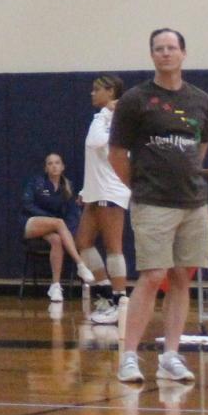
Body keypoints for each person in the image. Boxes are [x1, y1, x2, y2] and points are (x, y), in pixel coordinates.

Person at [110, 29, 208, 384]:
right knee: (153, 275)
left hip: (192, 202)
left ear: (184, 53)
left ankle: (170, 355)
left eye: (172, 48)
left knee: (182, 277)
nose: (166, 53)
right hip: (152, 201)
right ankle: (128, 356)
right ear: (152, 55)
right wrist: (138, 185)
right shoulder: (135, 101)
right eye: (159, 49)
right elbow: (117, 154)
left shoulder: (202, 100)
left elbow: (200, 149)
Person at [76, 75, 131, 324]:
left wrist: (105, 114)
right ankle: (105, 293)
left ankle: (120, 301)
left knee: (113, 246)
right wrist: (86, 190)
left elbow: (95, 141)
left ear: (110, 92)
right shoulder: (105, 116)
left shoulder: (115, 118)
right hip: (95, 191)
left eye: (96, 90)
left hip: (111, 191)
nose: (91, 94)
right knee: (83, 242)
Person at [21, 153, 89, 303]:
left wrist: (70, 233)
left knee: (58, 240)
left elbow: (72, 212)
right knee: (58, 223)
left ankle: (55, 286)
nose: (54, 166)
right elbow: (27, 204)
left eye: (57, 163)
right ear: (46, 168)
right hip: (31, 223)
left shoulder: (67, 187)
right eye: (50, 163)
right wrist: (49, 219)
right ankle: (80, 264)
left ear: (62, 166)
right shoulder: (37, 182)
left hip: (53, 229)